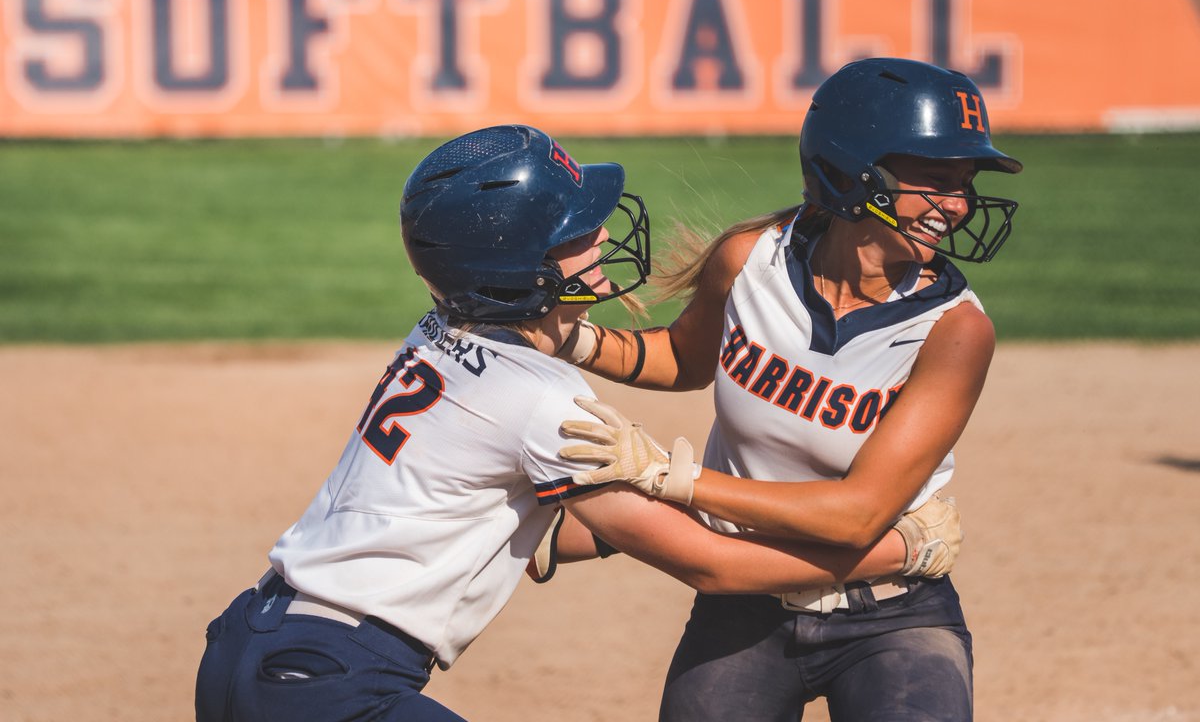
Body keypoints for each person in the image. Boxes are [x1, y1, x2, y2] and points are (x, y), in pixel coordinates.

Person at [193, 123, 960, 722]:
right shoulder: (541, 401)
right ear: (517, 270)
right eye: (572, 234)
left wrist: (673, 498)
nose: (598, 238)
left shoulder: (439, 334)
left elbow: (509, 519)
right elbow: (711, 569)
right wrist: (898, 551)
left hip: (252, 644)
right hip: (330, 684)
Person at [554, 58, 1022, 721]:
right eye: (937, 181)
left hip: (891, 611)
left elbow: (858, 514)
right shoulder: (750, 260)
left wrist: (667, 477)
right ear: (854, 171)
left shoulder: (955, 330)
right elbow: (685, 358)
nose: (958, 205)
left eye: (964, 184)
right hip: (744, 600)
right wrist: (572, 340)